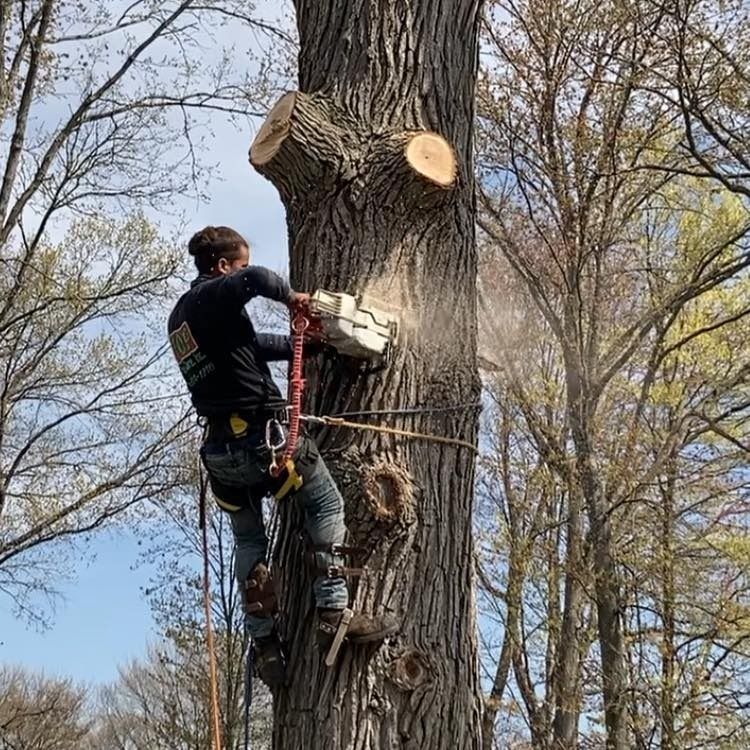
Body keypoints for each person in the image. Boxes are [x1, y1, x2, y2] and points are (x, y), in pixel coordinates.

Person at [167, 226, 397, 687]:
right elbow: (255, 282)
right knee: (326, 504)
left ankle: (266, 645)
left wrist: (309, 345)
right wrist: (297, 300)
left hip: (221, 456)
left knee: (250, 543)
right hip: (263, 440)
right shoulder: (215, 294)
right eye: (239, 262)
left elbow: (249, 350)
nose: (242, 270)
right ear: (221, 267)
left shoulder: (182, 318)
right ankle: (333, 611)